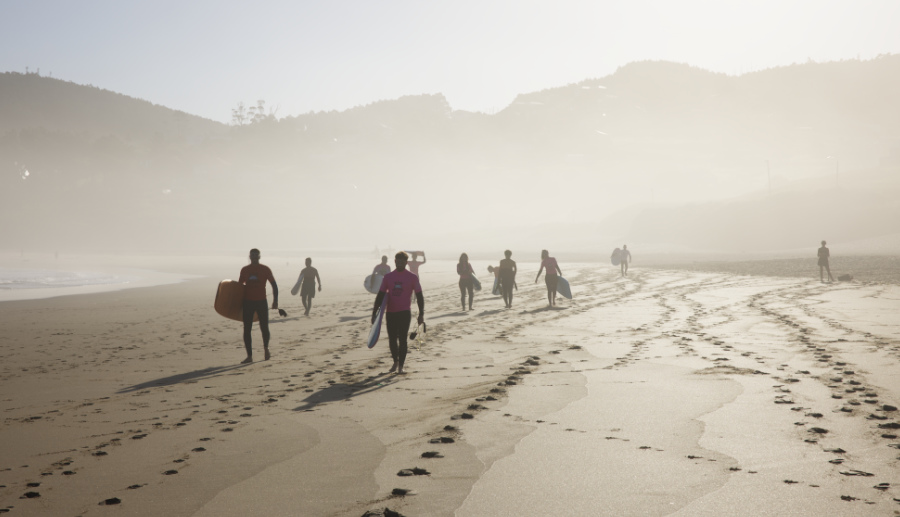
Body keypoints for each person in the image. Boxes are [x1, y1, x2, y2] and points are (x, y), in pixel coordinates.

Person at [372, 251, 425, 375]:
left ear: (406, 263)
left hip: (404, 312)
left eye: (403, 261)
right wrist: (374, 312)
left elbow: (419, 296)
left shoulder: (412, 277)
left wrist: (421, 313)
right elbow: (380, 295)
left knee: (402, 339)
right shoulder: (388, 277)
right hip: (390, 312)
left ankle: (401, 366)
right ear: (395, 261)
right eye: (398, 261)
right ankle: (395, 361)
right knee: (391, 339)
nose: (400, 263)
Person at [238, 248, 278, 364]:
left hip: (261, 302)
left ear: (259, 257)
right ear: (249, 257)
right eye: (253, 256)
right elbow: (239, 288)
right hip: (248, 303)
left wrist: (275, 301)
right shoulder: (245, 270)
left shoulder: (265, 269)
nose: (254, 258)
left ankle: (266, 348)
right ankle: (249, 356)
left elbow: (274, 285)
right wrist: (236, 303)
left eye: (256, 256)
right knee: (247, 329)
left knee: (264, 327)